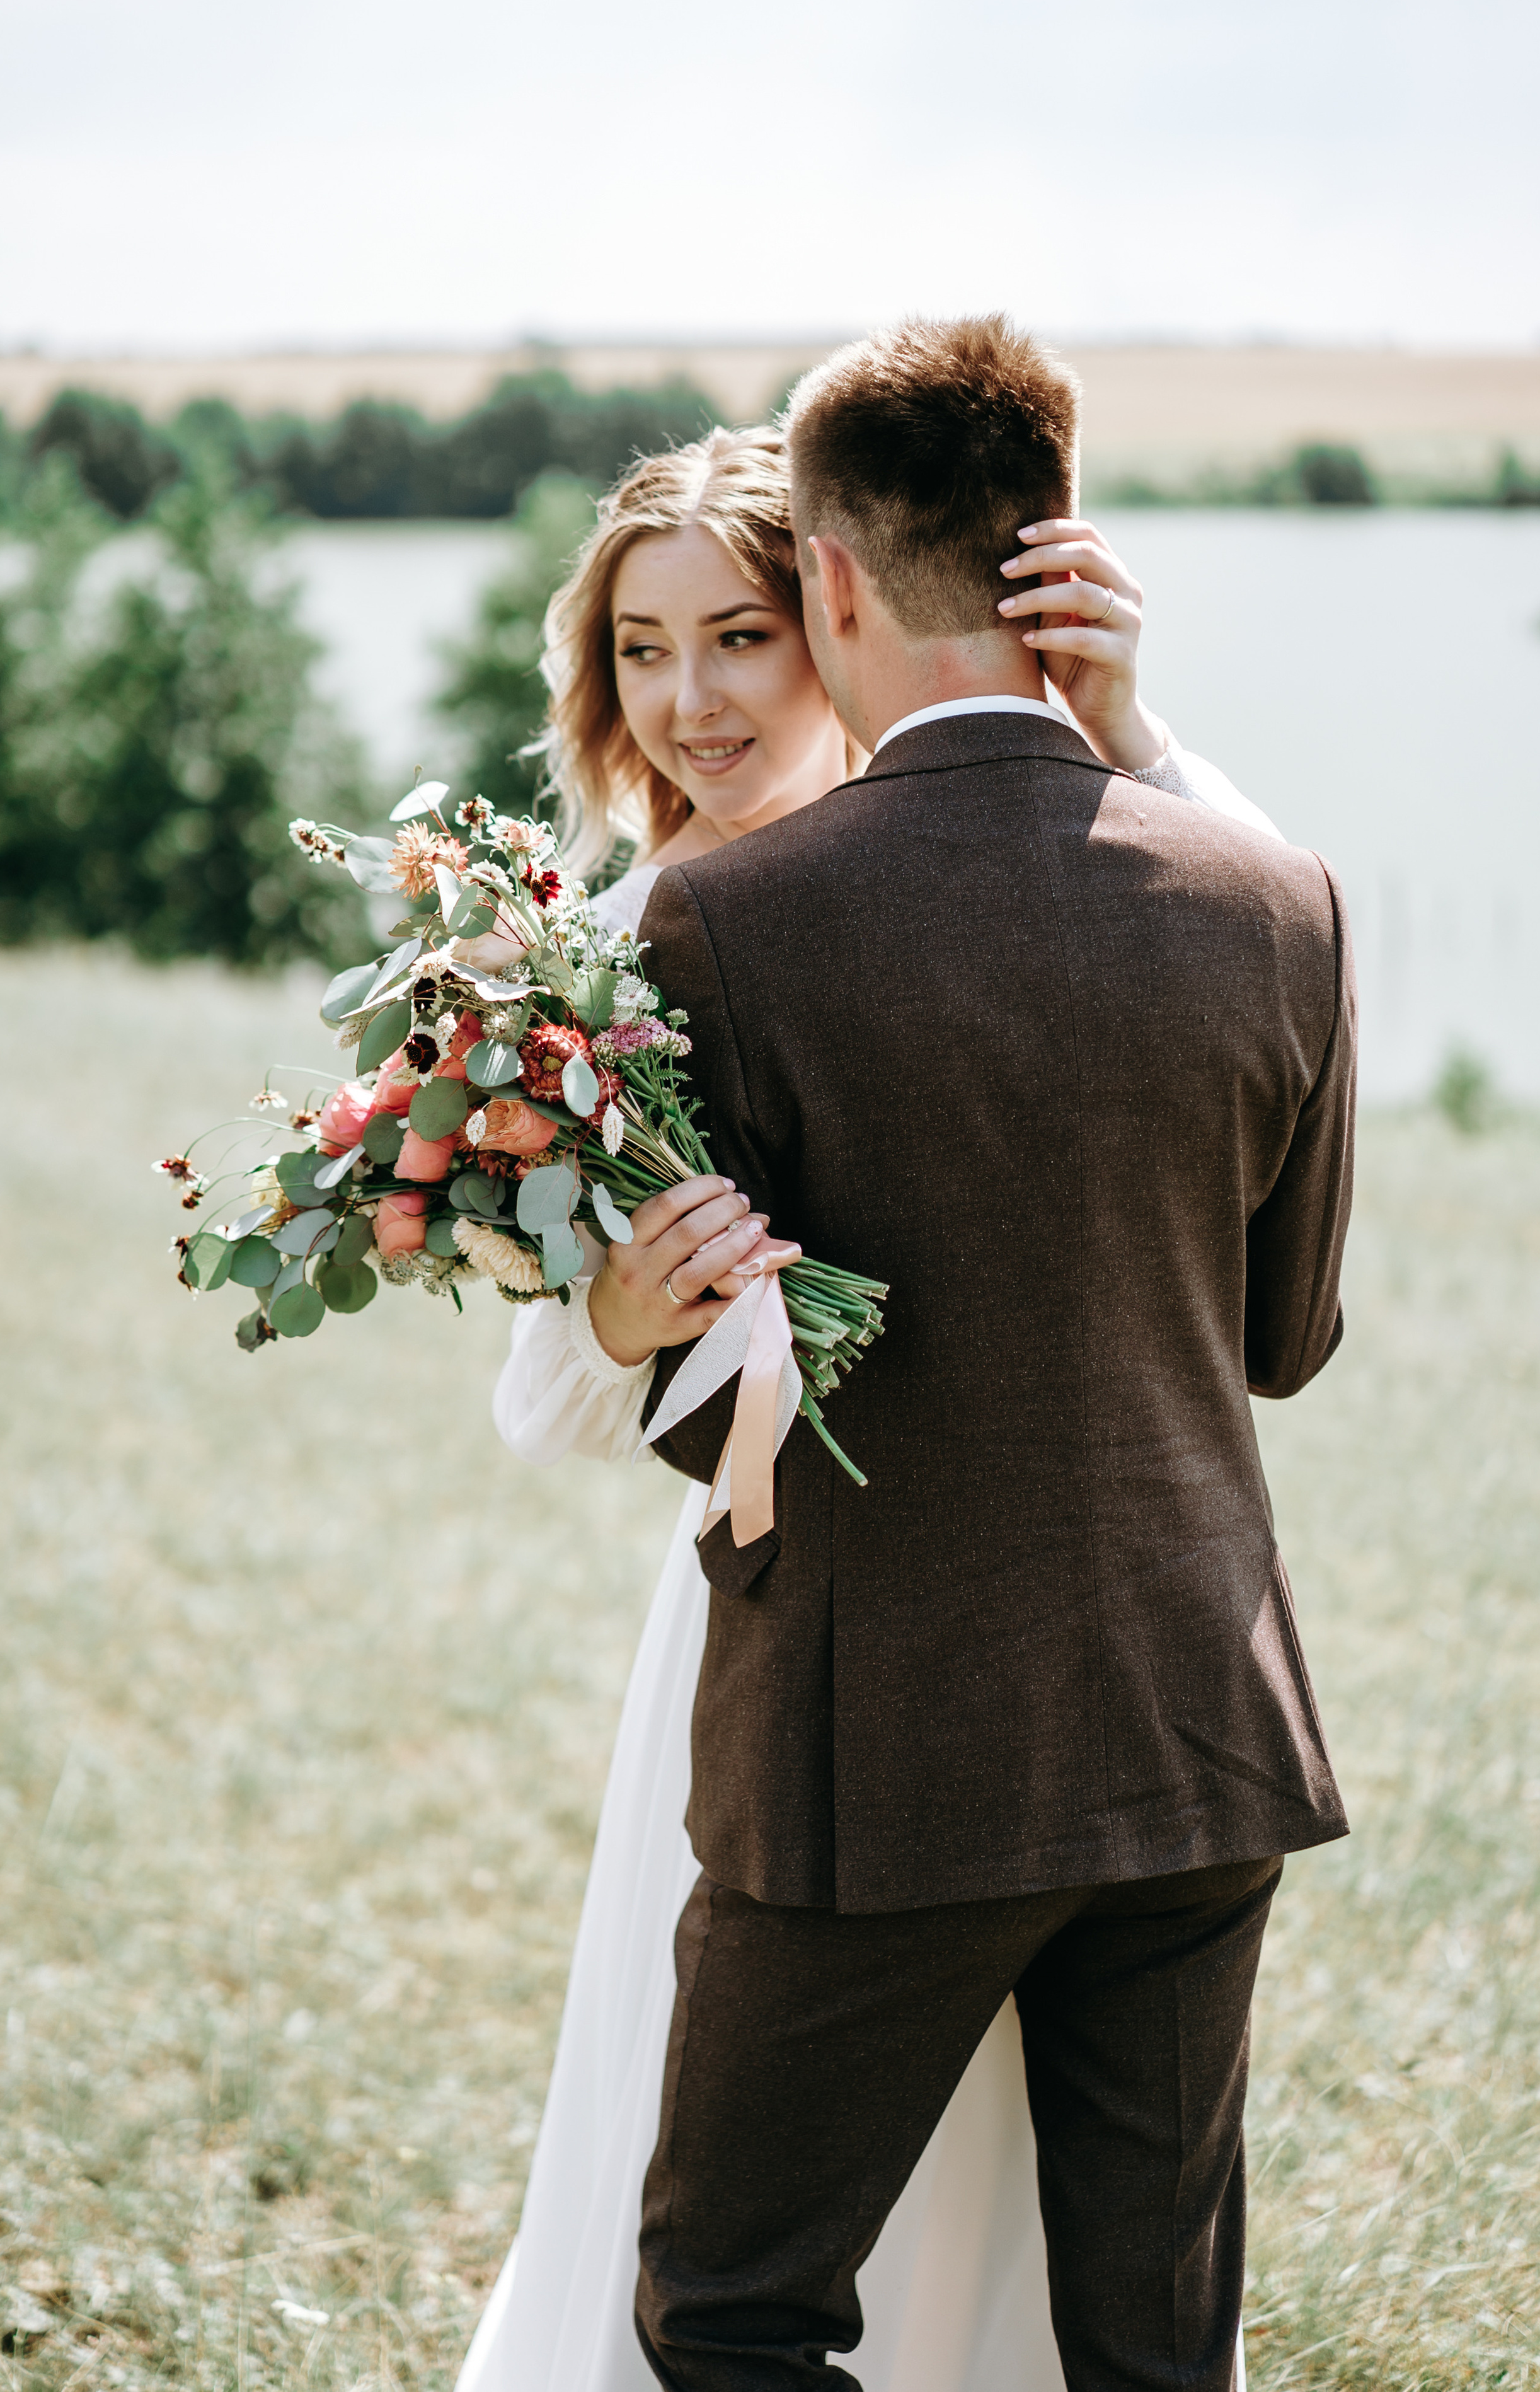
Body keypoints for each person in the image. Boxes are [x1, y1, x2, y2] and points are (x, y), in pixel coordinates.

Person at [457, 389, 1299, 2392]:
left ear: (833, 616)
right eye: (640, 652)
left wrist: (1129, 728)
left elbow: (1283, 947)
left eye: (735, 635)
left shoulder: (1080, 859)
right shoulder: (603, 962)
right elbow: (541, 1403)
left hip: (1073, 1658)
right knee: (741, 2206)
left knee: (1006, 2206)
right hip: (790, 1644)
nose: (688, 700)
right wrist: (619, 1324)